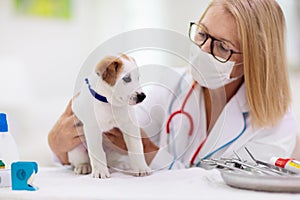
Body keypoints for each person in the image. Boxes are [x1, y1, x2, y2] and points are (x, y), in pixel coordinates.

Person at [48, 0, 297, 170]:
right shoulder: (167, 88)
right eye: (202, 34)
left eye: (222, 47)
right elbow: (106, 149)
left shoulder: (276, 124)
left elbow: (238, 189)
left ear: (256, 61)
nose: (202, 50)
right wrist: (60, 145)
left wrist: (149, 151)